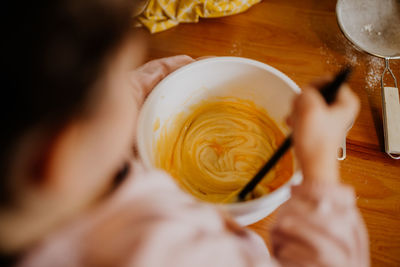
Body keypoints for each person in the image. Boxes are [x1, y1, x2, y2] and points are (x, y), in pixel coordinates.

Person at [0, 0, 369, 266]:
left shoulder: (60, 174)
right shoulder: (178, 254)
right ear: (59, 152)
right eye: (117, 75)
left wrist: (167, 78)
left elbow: (109, 102)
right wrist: (319, 167)